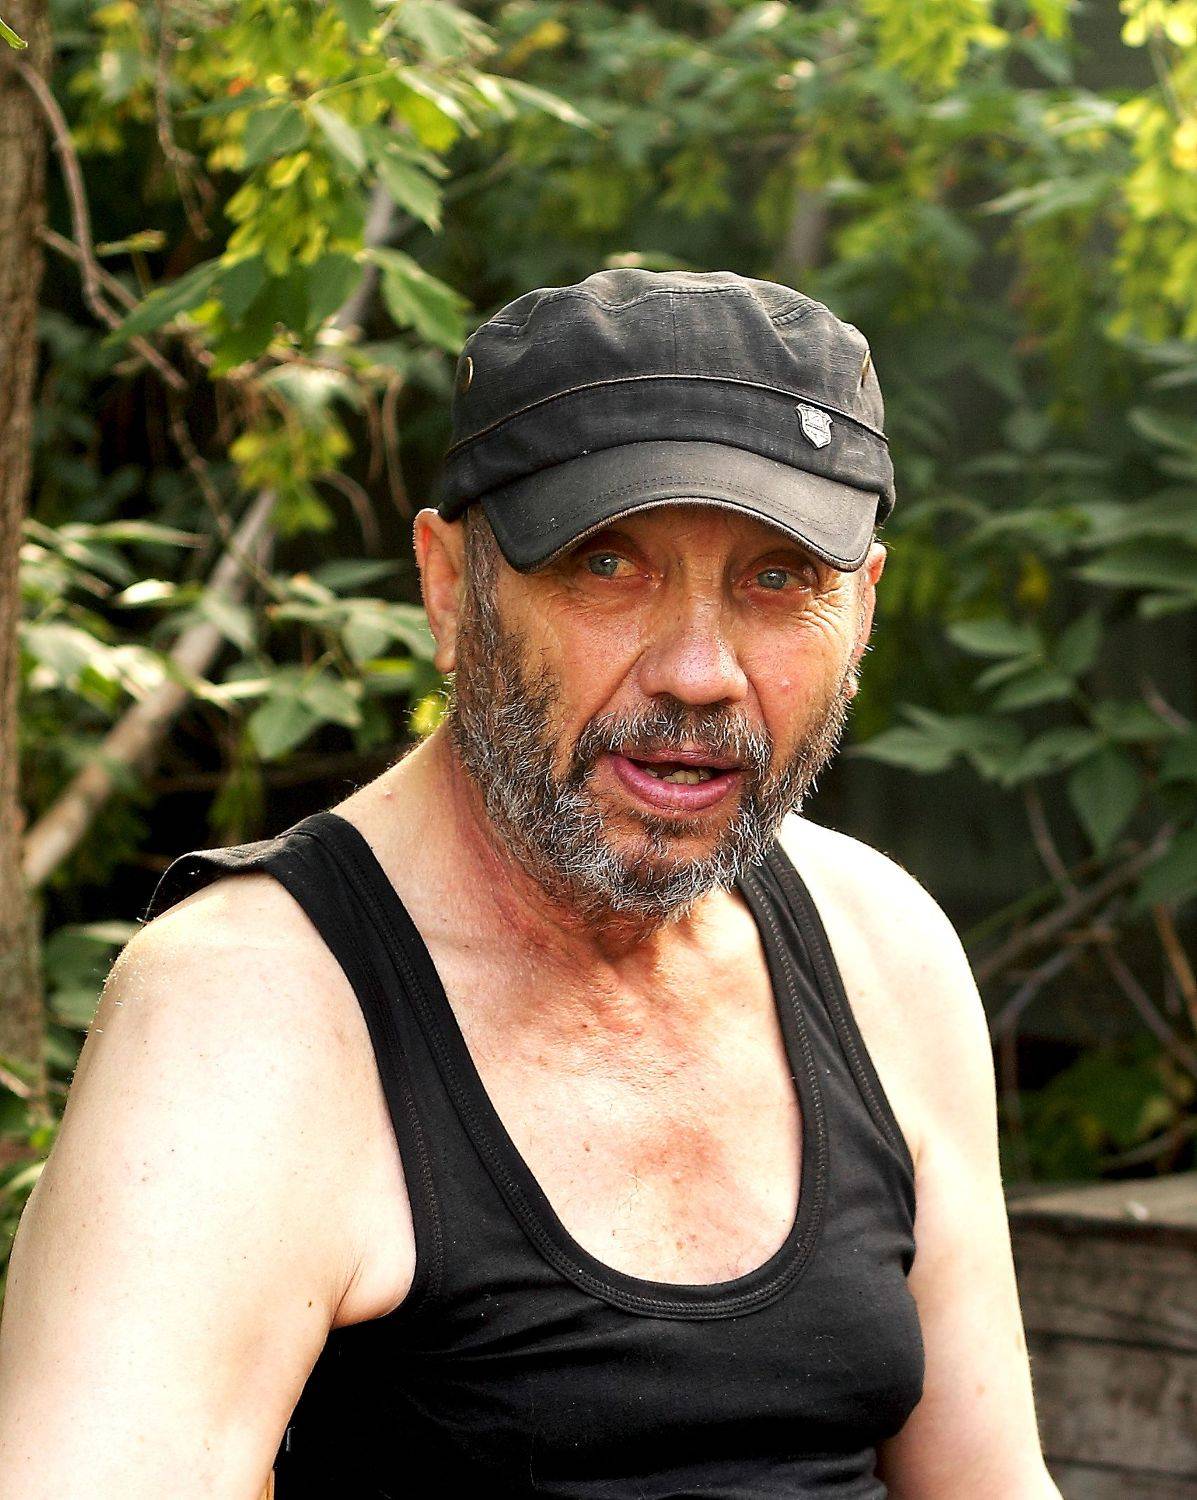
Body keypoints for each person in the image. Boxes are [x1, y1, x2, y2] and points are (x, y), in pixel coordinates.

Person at [0, 268, 1060, 1498]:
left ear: (862, 613)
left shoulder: (882, 946)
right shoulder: (247, 1015)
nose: (700, 671)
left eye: (777, 580)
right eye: (607, 564)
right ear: (452, 587)